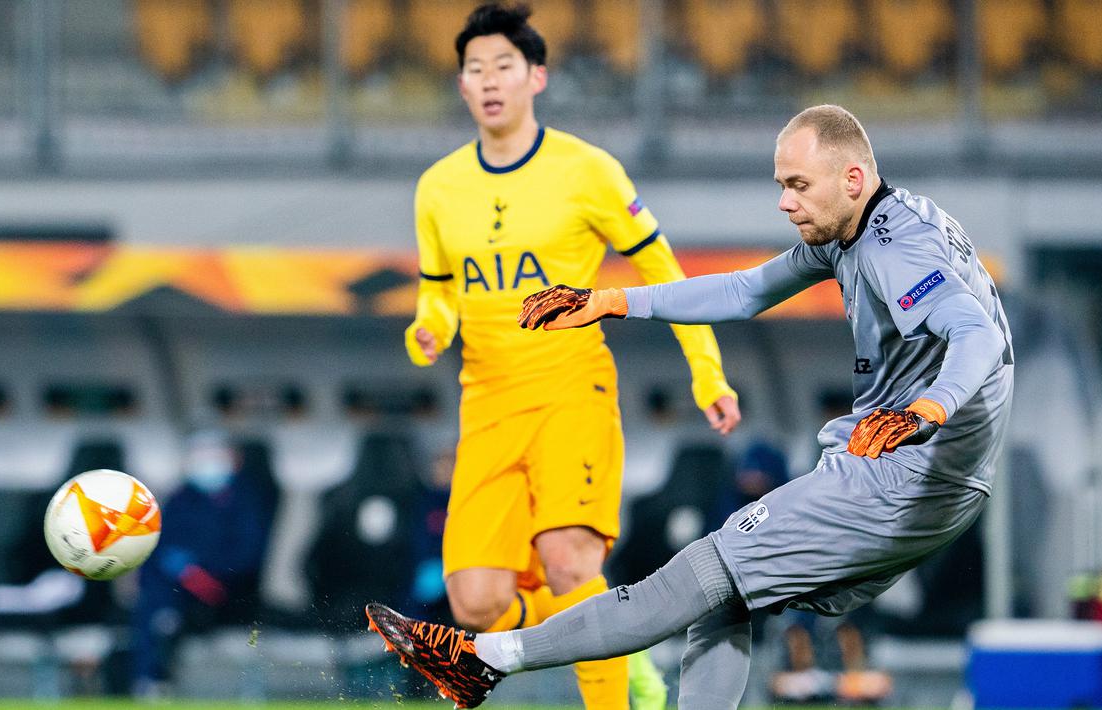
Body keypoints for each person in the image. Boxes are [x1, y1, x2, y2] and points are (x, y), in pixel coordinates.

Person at [366, 103, 1014, 710]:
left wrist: (926, 409)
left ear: (851, 177)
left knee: (703, 569)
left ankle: (486, 658)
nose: (784, 202)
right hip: (918, 476)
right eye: (779, 184)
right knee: (721, 598)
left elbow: (976, 334)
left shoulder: (892, 246)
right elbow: (745, 289)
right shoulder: (870, 223)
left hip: (902, 473)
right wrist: (613, 301)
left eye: (796, 184)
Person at [399, 4, 740, 709]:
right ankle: (616, 643)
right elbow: (438, 293)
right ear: (461, 86)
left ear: (537, 77)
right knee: (475, 603)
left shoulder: (588, 171)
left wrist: (706, 370)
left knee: (567, 559)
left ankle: (615, 695)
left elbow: (665, 275)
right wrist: (425, 328)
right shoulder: (437, 188)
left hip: (568, 391)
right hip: (486, 405)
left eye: (503, 66)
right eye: (474, 69)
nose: (488, 80)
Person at [131, 429, 269, 698]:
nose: (207, 463)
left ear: (233, 458)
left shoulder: (248, 501)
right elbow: (158, 550)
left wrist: (201, 568)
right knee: (154, 603)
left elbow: (248, 557)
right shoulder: (181, 499)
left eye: (214, 455)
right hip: (179, 592)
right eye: (199, 456)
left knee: (169, 606)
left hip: (229, 593)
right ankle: (150, 682)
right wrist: (180, 571)